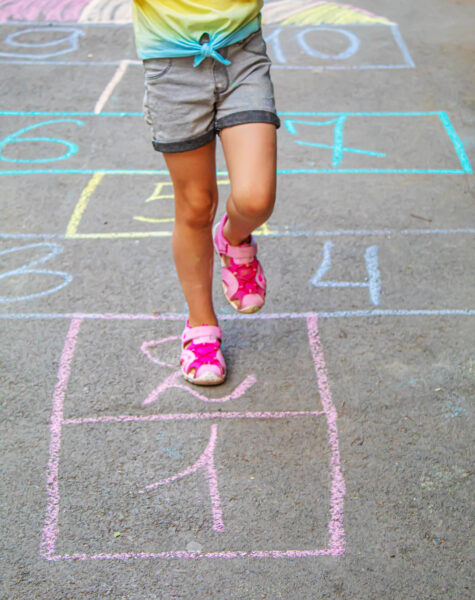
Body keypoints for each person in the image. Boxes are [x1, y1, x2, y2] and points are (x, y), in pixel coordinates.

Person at [132, 0, 280, 386]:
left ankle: (233, 239)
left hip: (241, 54)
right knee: (196, 206)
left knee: (256, 199)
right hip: (171, 67)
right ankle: (200, 324)